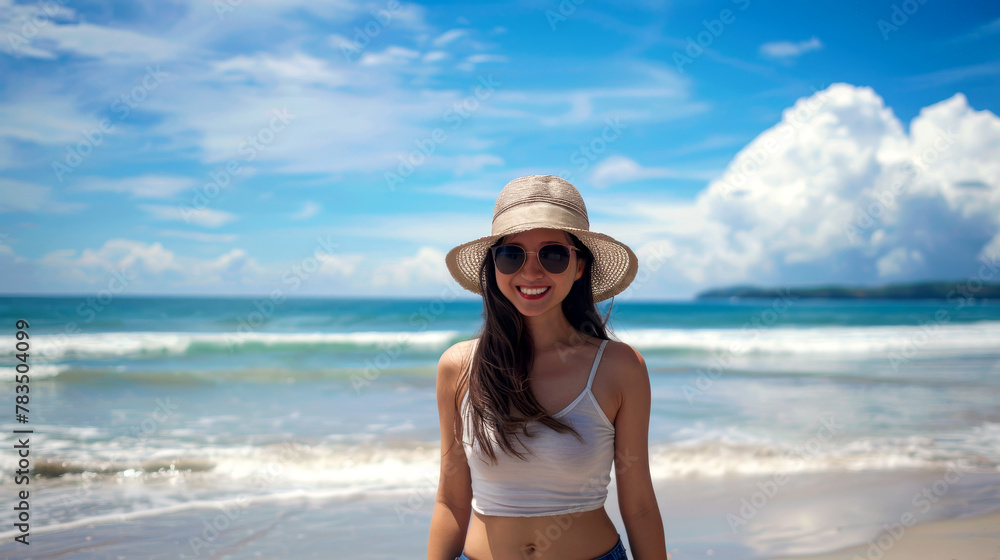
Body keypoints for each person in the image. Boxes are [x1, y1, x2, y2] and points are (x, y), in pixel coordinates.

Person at [427, 175, 668, 560]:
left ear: (578, 267)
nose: (532, 272)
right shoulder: (458, 367)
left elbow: (638, 504)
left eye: (553, 254)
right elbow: (451, 501)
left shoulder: (620, 368)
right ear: (493, 267)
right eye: (512, 255)